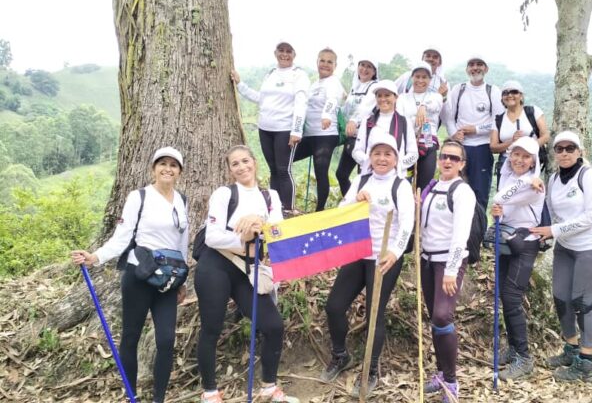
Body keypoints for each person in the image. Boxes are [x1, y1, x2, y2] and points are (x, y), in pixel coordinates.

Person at [71, 147, 189, 403]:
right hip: (139, 273)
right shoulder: (140, 197)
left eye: (173, 165)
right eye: (162, 163)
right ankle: (131, 395)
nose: (167, 168)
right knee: (131, 335)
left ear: (179, 171)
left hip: (168, 279)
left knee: (167, 340)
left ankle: (159, 398)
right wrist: (95, 256)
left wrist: (183, 280)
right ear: (153, 168)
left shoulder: (181, 200)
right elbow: (121, 237)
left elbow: (182, 243)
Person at [195, 145, 298, 403]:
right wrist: (247, 236)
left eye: (245, 161)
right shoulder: (224, 194)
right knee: (212, 327)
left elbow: (277, 231)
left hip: (246, 268)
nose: (242, 167)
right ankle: (210, 392)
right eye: (235, 164)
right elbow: (213, 236)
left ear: (254, 162)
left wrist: (257, 223)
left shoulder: (270, 196)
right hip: (215, 264)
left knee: (273, 325)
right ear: (230, 170)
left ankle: (268, 387)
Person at [320, 132, 415, 398]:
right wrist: (354, 200)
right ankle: (341, 355)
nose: (382, 158)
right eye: (377, 153)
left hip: (384, 257)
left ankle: (371, 369)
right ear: (370, 157)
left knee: (375, 312)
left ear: (396, 159)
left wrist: (395, 252)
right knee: (334, 306)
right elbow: (341, 209)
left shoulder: (401, 186)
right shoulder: (361, 180)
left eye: (388, 154)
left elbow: (407, 223)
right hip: (357, 252)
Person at [529, 131, 592, 383]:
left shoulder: (590, 176)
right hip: (565, 247)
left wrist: (553, 231)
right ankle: (571, 349)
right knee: (561, 297)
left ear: (580, 151)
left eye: (570, 148)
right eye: (559, 149)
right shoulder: (553, 179)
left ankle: (586, 364)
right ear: (554, 153)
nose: (564, 153)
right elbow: (553, 212)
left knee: (583, 302)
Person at [419, 140, 476, 402]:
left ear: (462, 164)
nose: (448, 161)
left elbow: (460, 235)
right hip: (427, 259)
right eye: (444, 156)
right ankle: (440, 374)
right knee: (434, 316)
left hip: (447, 263)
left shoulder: (462, 191)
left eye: (455, 158)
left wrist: (452, 270)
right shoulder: (431, 187)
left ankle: (451, 382)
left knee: (443, 316)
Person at [231, 40, 310, 213]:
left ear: (294, 55)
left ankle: (289, 209)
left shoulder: (299, 75)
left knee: (283, 170)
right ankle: (276, 208)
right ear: (275, 53)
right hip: (265, 129)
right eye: (281, 50)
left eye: (289, 51)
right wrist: (240, 84)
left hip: (285, 129)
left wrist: (296, 130)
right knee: (273, 169)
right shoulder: (271, 73)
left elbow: (301, 103)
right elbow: (262, 98)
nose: (284, 54)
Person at [490, 137, 545, 381]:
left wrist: (523, 181)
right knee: (504, 295)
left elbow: (500, 197)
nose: (519, 160)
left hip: (525, 244)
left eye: (526, 156)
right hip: (506, 240)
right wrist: (497, 213)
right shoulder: (509, 176)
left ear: (534, 160)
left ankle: (524, 357)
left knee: (512, 297)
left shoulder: (535, 184)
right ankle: (513, 349)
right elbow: (502, 202)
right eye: (516, 155)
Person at [444, 56, 503, 210]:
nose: (475, 68)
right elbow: (449, 117)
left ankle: (478, 232)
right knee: (455, 189)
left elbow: (498, 121)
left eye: (479, 64)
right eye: (471, 65)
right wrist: (454, 134)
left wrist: (476, 129)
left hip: (482, 148)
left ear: (486, 69)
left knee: (479, 193)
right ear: (467, 69)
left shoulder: (493, 91)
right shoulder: (459, 89)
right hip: (460, 148)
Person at [292, 48, 346, 211]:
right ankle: (286, 200)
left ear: (335, 66)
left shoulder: (333, 82)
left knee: (321, 170)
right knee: (285, 158)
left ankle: (319, 211)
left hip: (326, 134)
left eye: (330, 62)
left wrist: (326, 115)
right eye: (322, 60)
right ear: (317, 62)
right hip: (309, 135)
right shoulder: (314, 84)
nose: (325, 64)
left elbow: (332, 100)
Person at [352, 79, 418, 179]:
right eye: (379, 96)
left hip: (397, 178)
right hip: (370, 177)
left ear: (396, 97)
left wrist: (395, 164)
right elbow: (356, 151)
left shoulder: (404, 122)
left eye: (387, 95)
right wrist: (372, 162)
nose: (383, 99)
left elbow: (413, 154)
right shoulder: (367, 122)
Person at [395, 62, 446, 190]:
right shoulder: (402, 98)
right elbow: (400, 119)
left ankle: (421, 209)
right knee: (403, 185)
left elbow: (436, 105)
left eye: (424, 77)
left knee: (424, 188)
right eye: (417, 76)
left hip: (428, 144)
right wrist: (415, 120)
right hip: (407, 146)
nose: (420, 80)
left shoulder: (435, 96)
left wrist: (423, 106)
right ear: (412, 78)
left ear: (430, 79)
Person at [490, 80, 550, 184]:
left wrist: (527, 147)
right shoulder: (498, 120)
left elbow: (545, 136)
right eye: (505, 93)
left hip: (529, 162)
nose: (509, 95)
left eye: (514, 92)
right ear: (502, 98)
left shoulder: (533, 112)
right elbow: (493, 147)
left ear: (521, 96)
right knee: (506, 196)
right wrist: (511, 142)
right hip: (506, 163)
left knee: (528, 194)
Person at [336, 56, 379, 196]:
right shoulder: (355, 87)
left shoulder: (374, 87)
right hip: (351, 138)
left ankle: (364, 212)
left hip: (365, 139)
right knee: (341, 174)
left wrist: (354, 121)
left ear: (374, 72)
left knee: (363, 178)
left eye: (369, 67)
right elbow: (346, 110)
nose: (364, 69)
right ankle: (351, 205)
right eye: (362, 65)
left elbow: (366, 107)